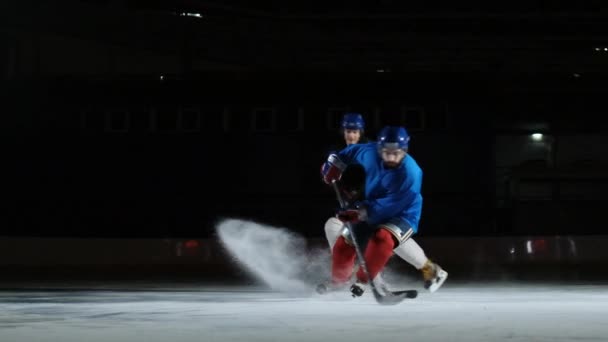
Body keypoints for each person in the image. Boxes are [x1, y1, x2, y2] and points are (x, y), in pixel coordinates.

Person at [320, 126, 448, 297]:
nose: (392, 157)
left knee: (382, 238)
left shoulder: (410, 174)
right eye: (387, 152)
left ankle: (363, 280)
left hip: (403, 213)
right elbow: (350, 152)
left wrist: (359, 212)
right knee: (346, 241)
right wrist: (335, 163)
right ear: (379, 149)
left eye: (396, 153)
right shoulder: (370, 153)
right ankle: (339, 279)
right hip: (372, 205)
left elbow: (391, 206)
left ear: (405, 150)